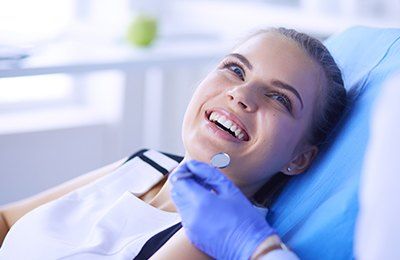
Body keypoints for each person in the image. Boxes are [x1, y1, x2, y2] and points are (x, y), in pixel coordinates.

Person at [0, 27, 346, 259]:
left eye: (279, 98)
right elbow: (6, 221)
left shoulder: (212, 237)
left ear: (299, 158)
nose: (240, 94)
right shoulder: (145, 164)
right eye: (236, 70)